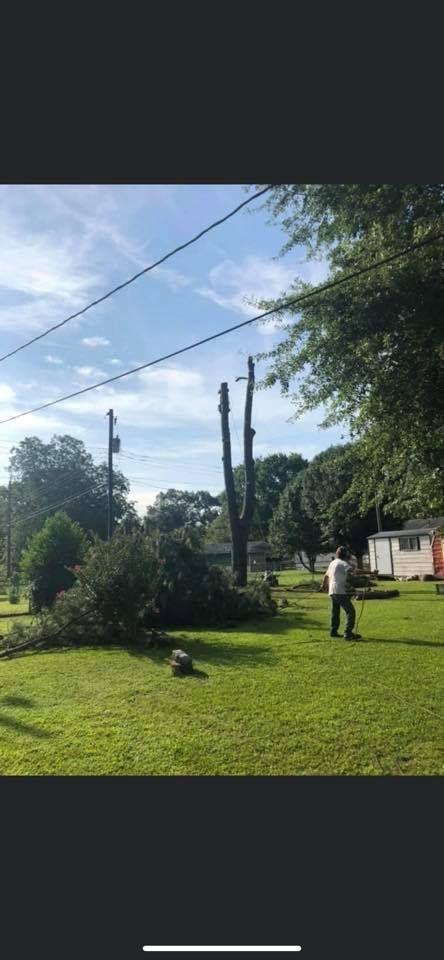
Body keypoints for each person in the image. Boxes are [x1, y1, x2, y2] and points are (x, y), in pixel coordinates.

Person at [322, 546, 362, 641]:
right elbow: (354, 571)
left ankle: (333, 631)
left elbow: (326, 575)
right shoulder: (343, 563)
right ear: (346, 555)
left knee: (335, 611)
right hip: (340, 591)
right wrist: (371, 572)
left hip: (332, 591)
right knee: (350, 611)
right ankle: (348, 634)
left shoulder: (333, 562)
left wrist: (323, 586)